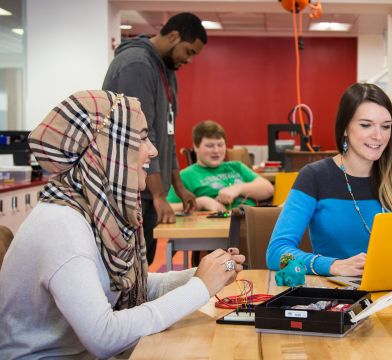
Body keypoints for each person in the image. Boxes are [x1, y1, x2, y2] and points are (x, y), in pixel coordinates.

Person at [0, 91, 245, 359]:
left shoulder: (90, 209)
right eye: (141, 138)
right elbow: (104, 337)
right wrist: (200, 288)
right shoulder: (63, 228)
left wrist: (206, 273)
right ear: (106, 147)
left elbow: (130, 285)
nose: (153, 150)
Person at [266, 83, 392, 277]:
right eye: (366, 125)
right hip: (338, 296)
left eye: (386, 126)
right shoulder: (314, 177)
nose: (378, 136)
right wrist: (332, 265)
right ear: (345, 128)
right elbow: (276, 252)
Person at [102, 12, 206, 265]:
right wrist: (160, 195)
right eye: (189, 51)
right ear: (173, 36)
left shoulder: (165, 69)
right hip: (129, 190)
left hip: (147, 188)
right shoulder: (136, 65)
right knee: (128, 269)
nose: (189, 60)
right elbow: (141, 135)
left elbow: (166, 132)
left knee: (143, 266)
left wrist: (178, 186)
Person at [167, 120, 274, 212]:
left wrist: (238, 188)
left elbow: (268, 189)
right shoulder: (186, 176)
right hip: (215, 229)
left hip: (250, 222)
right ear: (196, 146)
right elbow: (168, 207)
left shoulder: (237, 166)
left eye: (220, 145)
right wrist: (200, 202)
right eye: (209, 146)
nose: (216, 151)